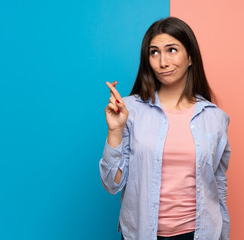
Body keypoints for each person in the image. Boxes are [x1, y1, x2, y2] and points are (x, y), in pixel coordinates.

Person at [99, 16, 231, 240]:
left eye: (172, 50)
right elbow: (112, 184)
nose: (162, 62)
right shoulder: (130, 110)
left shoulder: (215, 117)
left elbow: (218, 186)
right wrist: (115, 131)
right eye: (154, 52)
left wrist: (224, 235)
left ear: (190, 57)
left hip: (199, 234)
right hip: (142, 233)